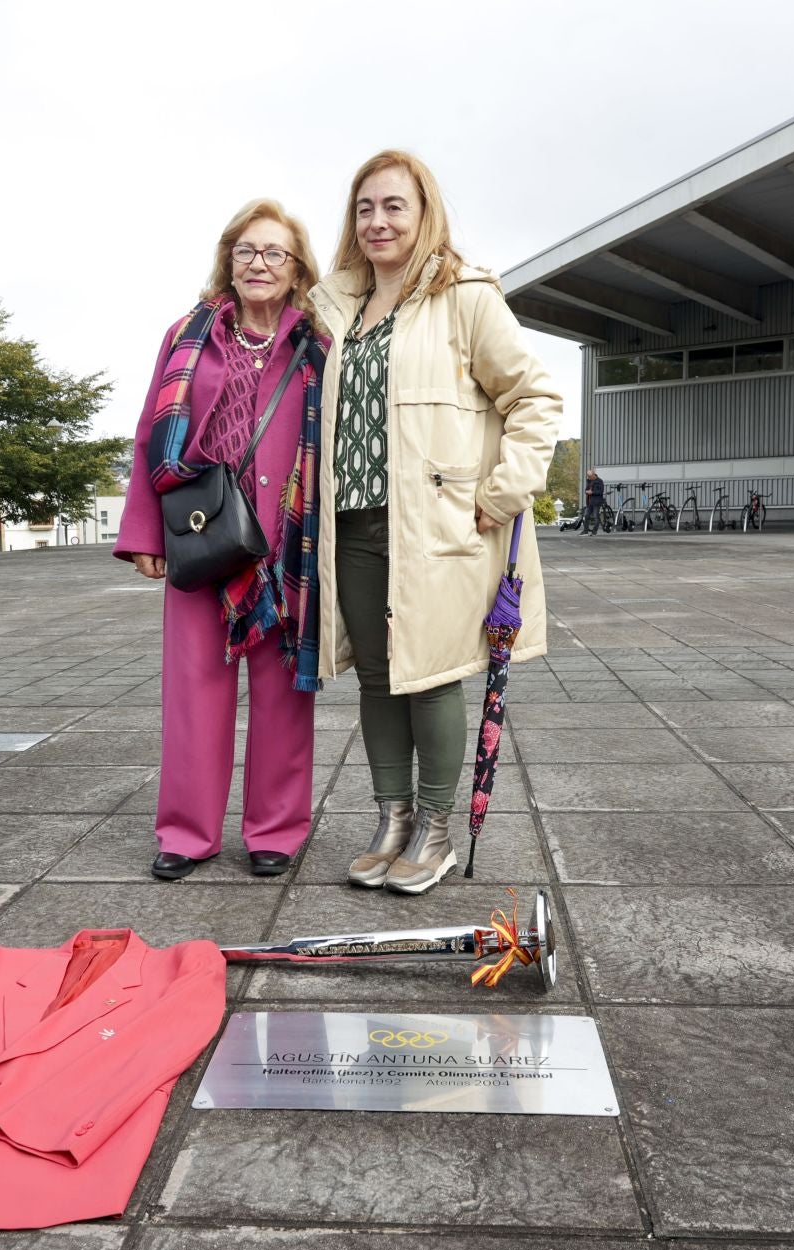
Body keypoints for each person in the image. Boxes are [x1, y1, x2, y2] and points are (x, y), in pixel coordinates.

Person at [307, 150, 560, 895]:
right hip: (352, 522)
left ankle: (436, 830)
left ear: (425, 214)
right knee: (379, 678)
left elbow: (534, 399)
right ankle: (391, 821)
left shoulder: (465, 298)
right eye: (365, 208)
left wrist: (504, 492)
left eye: (395, 206)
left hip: (437, 523)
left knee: (433, 674)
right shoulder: (337, 308)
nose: (378, 221)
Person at [115, 200, 328, 878]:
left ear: (297, 271)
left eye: (274, 253)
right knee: (194, 693)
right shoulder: (189, 334)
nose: (258, 263)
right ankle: (185, 834)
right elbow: (151, 433)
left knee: (283, 697)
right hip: (202, 537)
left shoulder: (317, 343)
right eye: (245, 251)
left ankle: (276, 829)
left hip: (288, 542)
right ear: (227, 261)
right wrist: (145, 531)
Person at [584, 468, 606, 534]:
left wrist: (592, 492)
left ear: (594, 475)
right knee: (586, 516)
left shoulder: (600, 481)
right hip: (589, 502)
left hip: (596, 502)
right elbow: (586, 490)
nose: (589, 477)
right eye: (588, 476)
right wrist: (587, 491)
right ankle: (585, 531)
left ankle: (594, 531)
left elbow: (600, 492)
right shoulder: (589, 481)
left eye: (590, 476)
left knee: (596, 516)